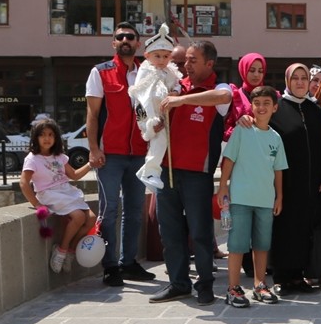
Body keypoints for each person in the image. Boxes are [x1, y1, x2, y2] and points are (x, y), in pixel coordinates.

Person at [150, 40, 232, 305]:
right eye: (185, 60)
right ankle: (178, 283)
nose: (187, 65)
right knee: (170, 231)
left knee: (200, 232)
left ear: (209, 63)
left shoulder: (218, 88)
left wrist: (181, 100)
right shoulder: (174, 85)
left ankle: (205, 284)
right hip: (168, 169)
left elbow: (224, 99)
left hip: (199, 172)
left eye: (193, 60)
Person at [84, 21, 154, 288]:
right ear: (114, 43)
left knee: (135, 211)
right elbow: (92, 114)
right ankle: (110, 266)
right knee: (109, 209)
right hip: (109, 155)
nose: (125, 40)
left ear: (138, 43)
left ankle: (129, 263)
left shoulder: (146, 72)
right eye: (120, 37)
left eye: (130, 36)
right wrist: (93, 148)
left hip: (138, 153)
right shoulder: (100, 72)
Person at [217, 86, 288, 308]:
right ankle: (234, 288)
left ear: (275, 107)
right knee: (237, 245)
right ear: (252, 106)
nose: (262, 107)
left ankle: (259, 284)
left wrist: (279, 197)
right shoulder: (242, 130)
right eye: (257, 103)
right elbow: (228, 160)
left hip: (265, 200)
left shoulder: (276, 138)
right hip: (240, 199)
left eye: (267, 103)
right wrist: (222, 188)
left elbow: (278, 170)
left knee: (262, 244)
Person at [270, 63, 321, 295]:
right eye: (295, 78)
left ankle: (299, 277)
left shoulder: (314, 110)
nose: (300, 82)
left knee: (306, 229)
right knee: (285, 228)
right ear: (287, 81)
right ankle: (282, 276)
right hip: (286, 182)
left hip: (313, 183)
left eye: (304, 78)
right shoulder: (277, 109)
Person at [20, 118, 96, 273]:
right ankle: (61, 250)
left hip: (65, 191)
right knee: (79, 217)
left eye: (50, 134)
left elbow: (74, 175)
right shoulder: (32, 159)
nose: (47, 138)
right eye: (42, 135)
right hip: (49, 194)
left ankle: (70, 251)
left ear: (56, 138)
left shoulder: (60, 157)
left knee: (92, 218)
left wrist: (90, 164)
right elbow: (24, 183)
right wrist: (37, 205)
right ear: (36, 138)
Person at [127, 25, 183, 191]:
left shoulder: (170, 71)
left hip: (163, 112)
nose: (161, 60)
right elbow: (144, 96)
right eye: (157, 56)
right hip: (149, 112)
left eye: (166, 56)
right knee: (159, 140)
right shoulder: (146, 71)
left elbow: (177, 85)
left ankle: (149, 171)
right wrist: (150, 121)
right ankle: (149, 172)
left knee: (163, 143)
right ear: (147, 56)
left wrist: (175, 92)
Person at [224, 52, 266, 141]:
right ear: (243, 70)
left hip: (264, 151)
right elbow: (224, 130)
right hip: (240, 151)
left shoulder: (272, 97)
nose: (256, 75)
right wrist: (240, 128)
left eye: (260, 71)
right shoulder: (234, 96)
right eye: (252, 70)